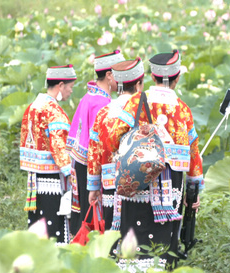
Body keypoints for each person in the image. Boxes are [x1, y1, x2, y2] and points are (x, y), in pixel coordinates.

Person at [105, 50, 203, 271]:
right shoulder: (183, 110)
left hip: (137, 180)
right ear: (176, 77)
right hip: (171, 187)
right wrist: (194, 189)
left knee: (135, 233)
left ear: (152, 76)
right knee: (163, 237)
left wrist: (125, 157)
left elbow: (113, 136)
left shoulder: (137, 102)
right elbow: (193, 154)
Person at [67, 50, 124, 236]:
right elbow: (100, 147)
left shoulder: (88, 97)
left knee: (83, 217)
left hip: (80, 167)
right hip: (92, 170)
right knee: (95, 221)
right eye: (119, 74)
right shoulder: (102, 104)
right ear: (109, 75)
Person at [20, 64, 77, 244]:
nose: (70, 92)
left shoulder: (32, 107)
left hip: (35, 178)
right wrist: (71, 172)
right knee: (54, 226)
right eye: (70, 87)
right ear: (60, 85)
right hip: (52, 178)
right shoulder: (53, 111)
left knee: (38, 223)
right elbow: (59, 146)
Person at [87, 57, 145, 230]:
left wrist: (93, 187)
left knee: (112, 234)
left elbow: (94, 152)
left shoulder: (103, 112)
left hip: (109, 183)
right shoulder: (140, 110)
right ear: (137, 85)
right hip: (137, 184)